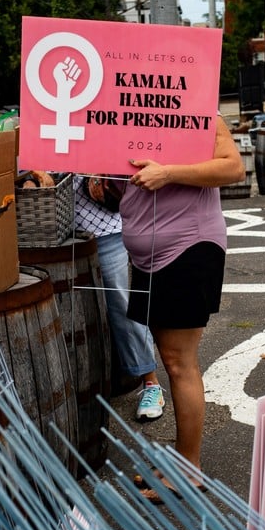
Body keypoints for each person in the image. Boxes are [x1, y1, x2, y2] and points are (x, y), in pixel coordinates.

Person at [122, 117, 244, 503]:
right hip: (150, 255)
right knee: (171, 358)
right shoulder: (126, 109)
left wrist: (167, 174)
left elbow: (232, 167)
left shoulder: (201, 111)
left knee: (179, 362)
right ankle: (180, 458)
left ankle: (189, 470)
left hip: (187, 247)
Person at [73, 175, 164, 420]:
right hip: (53, 229)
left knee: (122, 306)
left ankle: (151, 383)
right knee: (67, 312)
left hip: (104, 225)